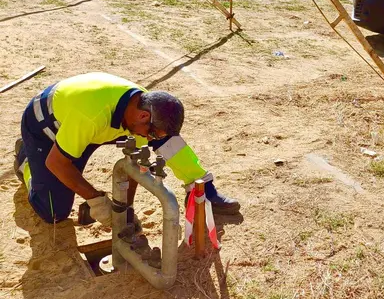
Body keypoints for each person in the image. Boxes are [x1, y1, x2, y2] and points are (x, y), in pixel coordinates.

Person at [12, 72, 240, 226]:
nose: (150, 139)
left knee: (166, 140)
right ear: (143, 116)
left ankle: (202, 187)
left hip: (94, 125)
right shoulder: (90, 116)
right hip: (46, 127)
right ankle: (27, 163)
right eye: (150, 132)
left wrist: (125, 209)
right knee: (53, 211)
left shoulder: (143, 106)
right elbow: (57, 163)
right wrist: (96, 201)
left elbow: (137, 163)